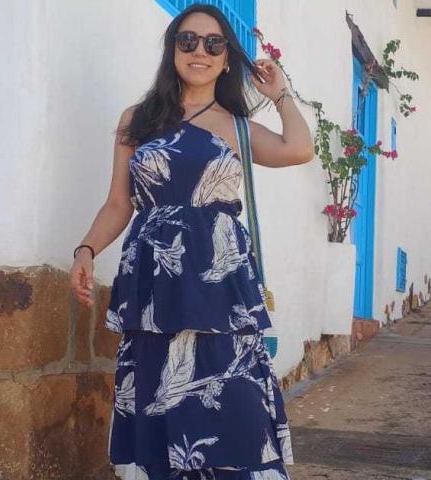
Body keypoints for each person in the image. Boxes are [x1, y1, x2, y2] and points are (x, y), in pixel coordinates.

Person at [70, 3, 313, 479]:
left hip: (220, 287)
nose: (199, 51)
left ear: (226, 60)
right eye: (188, 41)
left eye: (213, 43)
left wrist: (280, 94)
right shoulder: (137, 120)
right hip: (154, 287)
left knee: (234, 404)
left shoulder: (237, 126)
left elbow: (299, 148)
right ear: (172, 51)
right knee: (161, 401)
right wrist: (86, 249)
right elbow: (118, 204)